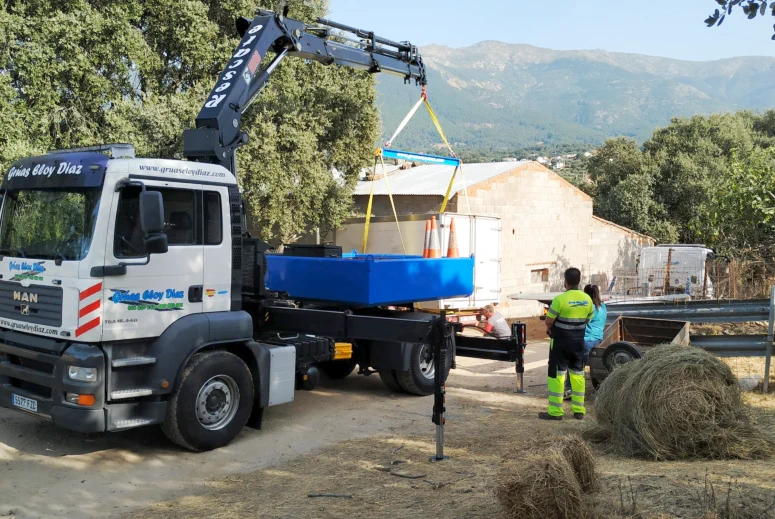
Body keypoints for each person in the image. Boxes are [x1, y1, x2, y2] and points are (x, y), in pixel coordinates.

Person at [539, 267, 593, 421]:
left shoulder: (560, 299)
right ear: (579, 280)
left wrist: (550, 328)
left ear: (565, 281)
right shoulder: (587, 299)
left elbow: (549, 321)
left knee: (557, 375)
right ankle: (579, 410)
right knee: (578, 375)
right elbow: (587, 319)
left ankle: (555, 412)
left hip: (560, 343)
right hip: (578, 343)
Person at [564, 284, 607, 398]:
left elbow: (581, 322)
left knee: (573, 362)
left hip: (587, 340)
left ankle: (570, 389)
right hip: (598, 338)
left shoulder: (589, 307)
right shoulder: (603, 305)